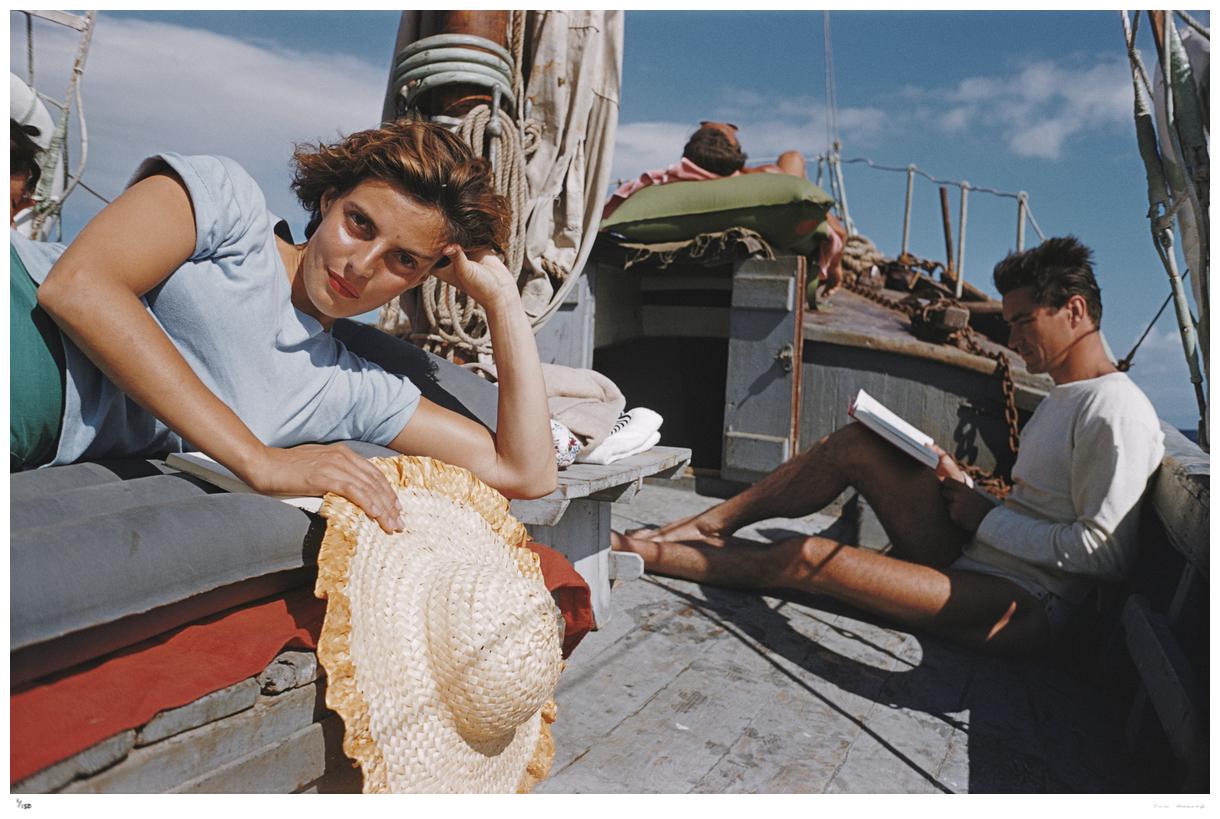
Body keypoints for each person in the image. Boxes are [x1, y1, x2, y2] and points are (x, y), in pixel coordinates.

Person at [613, 236, 1164, 655]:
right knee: (855, 443)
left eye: (1024, 321)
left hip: (1023, 603)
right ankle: (711, 525)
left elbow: (1106, 555)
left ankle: (639, 551)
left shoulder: (1114, 409)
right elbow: (1042, 509)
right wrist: (966, 489)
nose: (1013, 339)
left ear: (1073, 310)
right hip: (981, 556)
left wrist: (982, 518)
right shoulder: (1067, 396)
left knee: (805, 556)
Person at [11, 120, 557, 531]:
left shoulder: (349, 388)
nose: (361, 266)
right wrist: (257, 460)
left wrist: (501, 300)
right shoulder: (230, 208)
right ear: (328, 200)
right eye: (359, 223)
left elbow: (525, 473)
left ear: (422, 278)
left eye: (403, 260)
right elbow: (79, 287)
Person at [603, 120, 846, 295]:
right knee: (793, 158)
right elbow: (835, 230)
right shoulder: (761, 179)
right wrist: (835, 266)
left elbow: (610, 211)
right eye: (733, 129)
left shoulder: (666, 181)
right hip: (760, 182)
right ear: (735, 154)